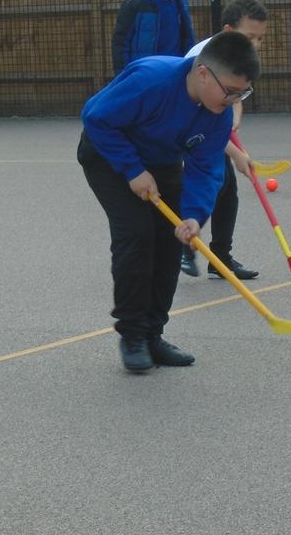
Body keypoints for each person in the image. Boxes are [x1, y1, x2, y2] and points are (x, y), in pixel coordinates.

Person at [79, 31, 260, 373]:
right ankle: (132, 335)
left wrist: (194, 216)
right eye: (230, 91)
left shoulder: (218, 114)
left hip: (161, 162)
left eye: (242, 93)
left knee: (170, 242)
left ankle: (152, 335)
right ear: (203, 73)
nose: (233, 100)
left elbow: (205, 169)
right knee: (137, 233)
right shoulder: (152, 79)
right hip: (107, 154)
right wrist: (132, 169)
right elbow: (96, 117)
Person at [179, 0, 269, 279]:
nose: (255, 45)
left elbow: (234, 96)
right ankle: (185, 245)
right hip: (188, 132)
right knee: (211, 184)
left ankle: (219, 258)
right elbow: (205, 125)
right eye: (250, 37)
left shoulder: (237, 56)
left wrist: (235, 119)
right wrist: (237, 154)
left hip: (210, 128)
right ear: (229, 31)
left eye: (260, 38)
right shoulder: (206, 58)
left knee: (226, 189)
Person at [111, 0, 196, 74]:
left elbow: (188, 37)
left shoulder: (180, 2)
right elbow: (120, 42)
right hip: (146, 72)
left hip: (175, 69)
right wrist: (123, 74)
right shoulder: (137, 4)